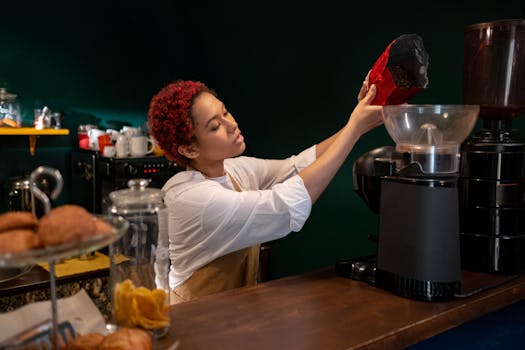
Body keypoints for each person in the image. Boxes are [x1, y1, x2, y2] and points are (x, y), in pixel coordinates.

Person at [148, 79, 383, 303]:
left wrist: (358, 124)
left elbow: (296, 167)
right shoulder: (193, 198)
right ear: (189, 149)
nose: (231, 124)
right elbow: (283, 206)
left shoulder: (233, 169)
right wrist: (354, 128)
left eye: (225, 112)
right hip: (190, 321)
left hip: (228, 312)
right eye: (215, 126)